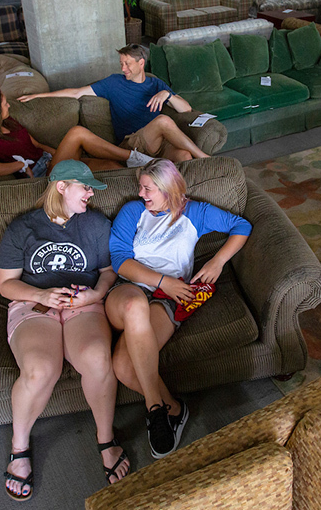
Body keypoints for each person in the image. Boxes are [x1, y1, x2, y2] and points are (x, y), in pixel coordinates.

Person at [0, 160, 130, 501]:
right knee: (41, 369)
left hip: (83, 303)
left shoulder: (96, 224)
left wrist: (96, 294)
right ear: (60, 187)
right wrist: (42, 294)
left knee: (98, 358)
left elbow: (107, 271)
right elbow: (6, 284)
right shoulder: (22, 228)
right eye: (84, 187)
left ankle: (105, 439)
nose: (90, 193)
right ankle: (20, 446)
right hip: (34, 303)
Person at [105, 158, 252, 459]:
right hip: (129, 289)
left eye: (148, 189)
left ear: (168, 188)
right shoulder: (133, 211)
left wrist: (217, 261)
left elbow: (242, 225)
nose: (141, 194)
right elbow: (120, 259)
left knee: (123, 367)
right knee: (134, 306)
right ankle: (155, 410)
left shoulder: (195, 213)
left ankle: (173, 407)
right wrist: (163, 280)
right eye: (141, 187)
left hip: (167, 300)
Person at [18, 44, 210, 164]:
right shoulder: (113, 82)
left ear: (141, 63)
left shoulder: (156, 83)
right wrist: (39, 95)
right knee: (163, 121)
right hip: (132, 143)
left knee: (184, 156)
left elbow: (186, 109)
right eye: (121, 63)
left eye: (127, 64)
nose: (123, 68)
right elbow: (76, 92)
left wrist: (167, 95)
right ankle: (206, 159)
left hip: (158, 144)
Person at [0, 87, 154, 180]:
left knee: (112, 166)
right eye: (4, 104)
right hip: (45, 177)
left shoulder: (9, 122)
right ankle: (136, 157)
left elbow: (36, 145)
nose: (9, 105)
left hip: (51, 163)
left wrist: (61, 154)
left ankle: (150, 178)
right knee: (77, 133)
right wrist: (18, 165)